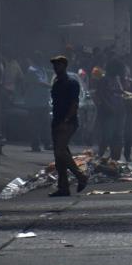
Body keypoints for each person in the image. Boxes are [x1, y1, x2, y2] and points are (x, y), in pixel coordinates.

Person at [48, 56, 89, 197]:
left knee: (60, 151)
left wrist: (66, 121)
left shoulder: (71, 83)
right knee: (60, 157)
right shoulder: (56, 83)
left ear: (64, 66)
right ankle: (63, 187)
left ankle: (81, 176)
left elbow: (74, 104)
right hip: (57, 121)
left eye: (58, 65)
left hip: (68, 122)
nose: (55, 68)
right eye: (54, 66)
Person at [96, 58, 128, 160]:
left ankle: (115, 160)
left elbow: (120, 92)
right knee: (107, 136)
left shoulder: (117, 79)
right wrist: (108, 106)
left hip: (119, 111)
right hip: (108, 112)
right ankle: (99, 156)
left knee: (118, 136)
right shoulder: (104, 79)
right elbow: (100, 95)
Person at [23, 56, 52, 152]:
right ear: (37, 60)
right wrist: (53, 86)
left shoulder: (42, 69)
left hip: (43, 101)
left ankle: (47, 143)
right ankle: (35, 145)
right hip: (35, 102)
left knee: (45, 124)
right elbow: (40, 83)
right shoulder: (32, 70)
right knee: (35, 125)